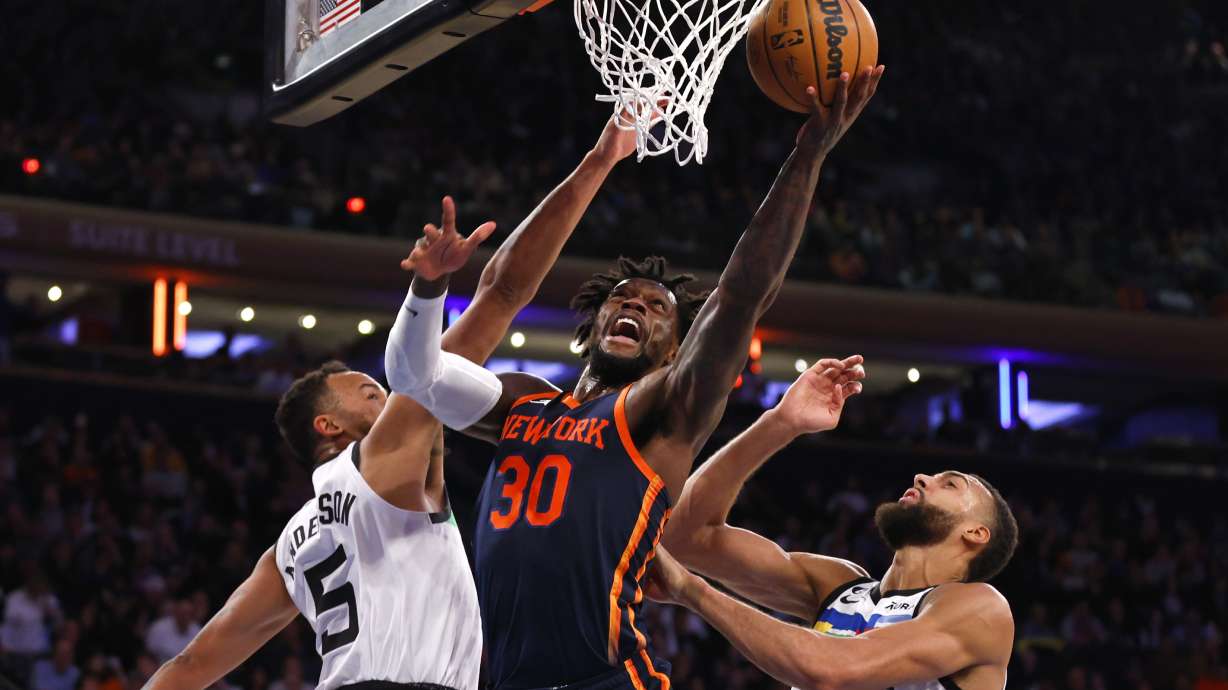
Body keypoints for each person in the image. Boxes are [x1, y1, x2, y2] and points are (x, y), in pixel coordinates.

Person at [386, 67, 884, 689]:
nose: (634, 308)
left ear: (678, 349)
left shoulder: (662, 409)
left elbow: (741, 296)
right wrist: (427, 290)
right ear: (592, 325)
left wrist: (809, 152)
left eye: (656, 310)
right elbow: (413, 375)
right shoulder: (523, 403)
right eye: (622, 300)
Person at [142, 111, 644, 690]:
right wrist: (599, 160)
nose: (386, 395)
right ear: (329, 425)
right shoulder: (384, 457)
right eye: (368, 390)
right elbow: (502, 293)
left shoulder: (291, 544)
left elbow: (192, 666)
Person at [645, 357, 1019, 690]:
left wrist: (692, 592)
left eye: (950, 483)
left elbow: (833, 670)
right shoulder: (839, 585)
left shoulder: (981, 609)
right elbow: (684, 537)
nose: (922, 477)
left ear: (976, 534)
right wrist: (780, 423)